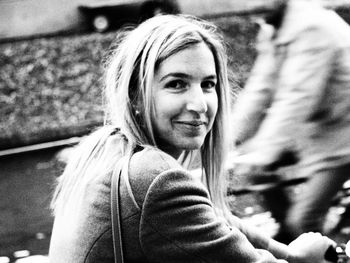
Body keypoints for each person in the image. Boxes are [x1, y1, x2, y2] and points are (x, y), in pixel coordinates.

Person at [49, 14, 334, 262]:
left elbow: (212, 217)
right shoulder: (152, 180)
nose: (199, 104)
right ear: (134, 94)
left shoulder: (101, 148)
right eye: (176, 84)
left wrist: (285, 252)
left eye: (208, 84)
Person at [232, 0, 350, 243]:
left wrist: (264, 154)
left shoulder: (312, 28)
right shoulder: (275, 26)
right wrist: (227, 138)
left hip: (342, 136)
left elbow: (297, 99)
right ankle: (290, 241)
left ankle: (312, 247)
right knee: (256, 173)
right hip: (315, 130)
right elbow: (260, 88)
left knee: (303, 219)